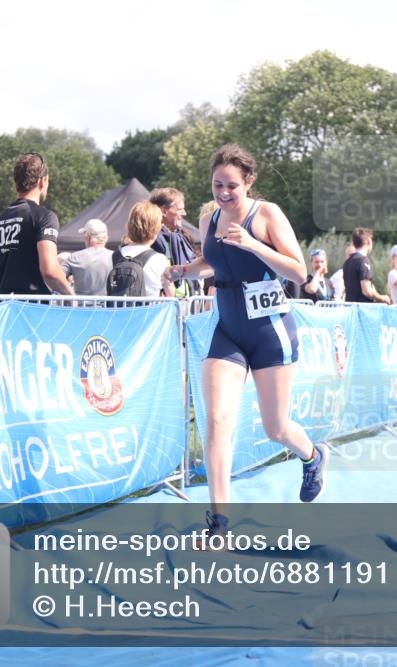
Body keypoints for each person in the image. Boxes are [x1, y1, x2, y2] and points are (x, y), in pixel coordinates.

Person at [164, 144, 328, 533]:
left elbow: (298, 271)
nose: (223, 192)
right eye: (217, 184)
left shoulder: (266, 214)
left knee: (276, 427)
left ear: (249, 182)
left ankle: (312, 455)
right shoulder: (209, 219)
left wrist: (253, 243)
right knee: (218, 419)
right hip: (229, 331)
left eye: (232, 186)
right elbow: (213, 261)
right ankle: (219, 520)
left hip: (270, 331)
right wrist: (185, 270)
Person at [0, 153, 74, 297]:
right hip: (32, 310)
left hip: (4, 309)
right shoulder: (45, 217)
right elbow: (49, 271)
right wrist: (71, 294)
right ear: (42, 181)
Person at [114, 203, 173, 298]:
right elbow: (171, 294)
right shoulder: (159, 259)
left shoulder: (114, 256)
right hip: (149, 311)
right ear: (155, 228)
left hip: (118, 312)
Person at [150, 187, 198, 296]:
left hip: (186, 302)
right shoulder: (151, 239)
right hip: (166, 304)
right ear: (164, 211)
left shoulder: (181, 237)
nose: (184, 213)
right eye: (180, 209)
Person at [61, 219, 113, 296]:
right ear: (106, 238)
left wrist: (70, 294)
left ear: (88, 237)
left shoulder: (75, 257)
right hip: (109, 306)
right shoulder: (116, 257)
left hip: (82, 306)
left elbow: (57, 276)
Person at [343, 228, 390, 304]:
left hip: (350, 309)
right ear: (368, 241)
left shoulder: (348, 261)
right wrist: (382, 298)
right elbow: (367, 291)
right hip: (362, 309)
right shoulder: (363, 261)